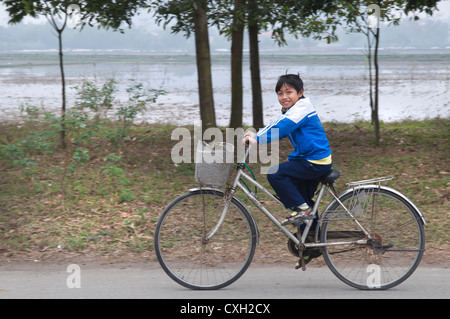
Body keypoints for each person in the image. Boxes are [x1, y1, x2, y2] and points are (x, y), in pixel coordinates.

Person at [243, 74, 332, 226]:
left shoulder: (301, 109)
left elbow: (282, 127)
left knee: (275, 173)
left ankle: (301, 209)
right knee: (304, 201)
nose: (284, 97)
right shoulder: (294, 109)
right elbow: (276, 123)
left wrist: (257, 139)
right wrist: (257, 134)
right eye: (280, 93)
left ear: (300, 93)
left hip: (315, 161)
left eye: (289, 92)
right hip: (309, 159)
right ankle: (312, 241)